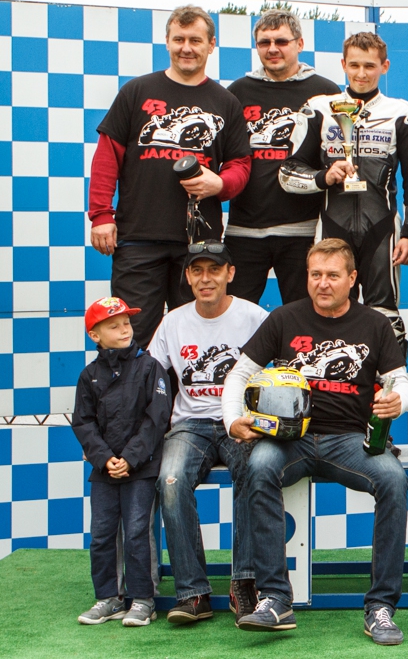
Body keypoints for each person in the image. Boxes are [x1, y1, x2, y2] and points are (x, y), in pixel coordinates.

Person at [222, 239, 408, 643]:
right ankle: (275, 598)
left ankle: (380, 607)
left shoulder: (375, 324)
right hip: (291, 439)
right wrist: (232, 420)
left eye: (332, 275)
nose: (322, 283)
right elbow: (239, 373)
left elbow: (400, 380)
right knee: (258, 466)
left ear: (352, 278)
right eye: (315, 275)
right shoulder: (284, 317)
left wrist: (399, 399)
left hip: (349, 440)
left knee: (394, 480)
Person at [87, 5, 251, 347]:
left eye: (195, 40)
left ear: (211, 45)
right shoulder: (137, 91)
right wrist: (101, 215)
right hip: (138, 238)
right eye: (179, 39)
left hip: (199, 245)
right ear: (167, 41)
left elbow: (241, 164)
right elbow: (107, 157)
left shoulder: (225, 101)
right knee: (130, 337)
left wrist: (220, 184)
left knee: (194, 340)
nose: (186, 48)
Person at [280, 32, 408, 360]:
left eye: (370, 66)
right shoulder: (318, 108)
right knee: (327, 309)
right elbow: (287, 174)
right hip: (332, 227)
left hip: (382, 228)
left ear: (385, 66)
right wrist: (323, 177)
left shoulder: (402, 112)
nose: (361, 73)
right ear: (343, 65)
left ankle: (385, 391)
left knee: (385, 316)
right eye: (354, 65)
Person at [148, 241, 268, 623]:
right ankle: (193, 592)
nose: (205, 279)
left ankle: (244, 584)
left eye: (214, 270)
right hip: (190, 424)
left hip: (241, 420)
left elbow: (281, 371)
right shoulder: (173, 321)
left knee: (255, 471)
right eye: (197, 271)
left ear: (230, 273)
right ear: (187, 277)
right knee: (170, 480)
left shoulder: (255, 317)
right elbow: (150, 378)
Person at [225, 9, 341, 305]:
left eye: (281, 41)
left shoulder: (325, 92)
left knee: (306, 316)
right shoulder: (237, 92)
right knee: (234, 316)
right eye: (264, 42)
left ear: (299, 44)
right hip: (244, 229)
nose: (272, 49)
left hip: (304, 230)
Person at [73, 297, 171, 627]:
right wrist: (105, 459)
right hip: (104, 471)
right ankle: (109, 599)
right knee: (101, 534)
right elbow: (83, 422)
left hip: (141, 469)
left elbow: (157, 417)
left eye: (126, 323)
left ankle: (143, 599)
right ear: (95, 335)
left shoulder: (150, 367)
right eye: (113, 326)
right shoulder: (89, 375)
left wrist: (130, 458)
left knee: (137, 532)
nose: (124, 330)